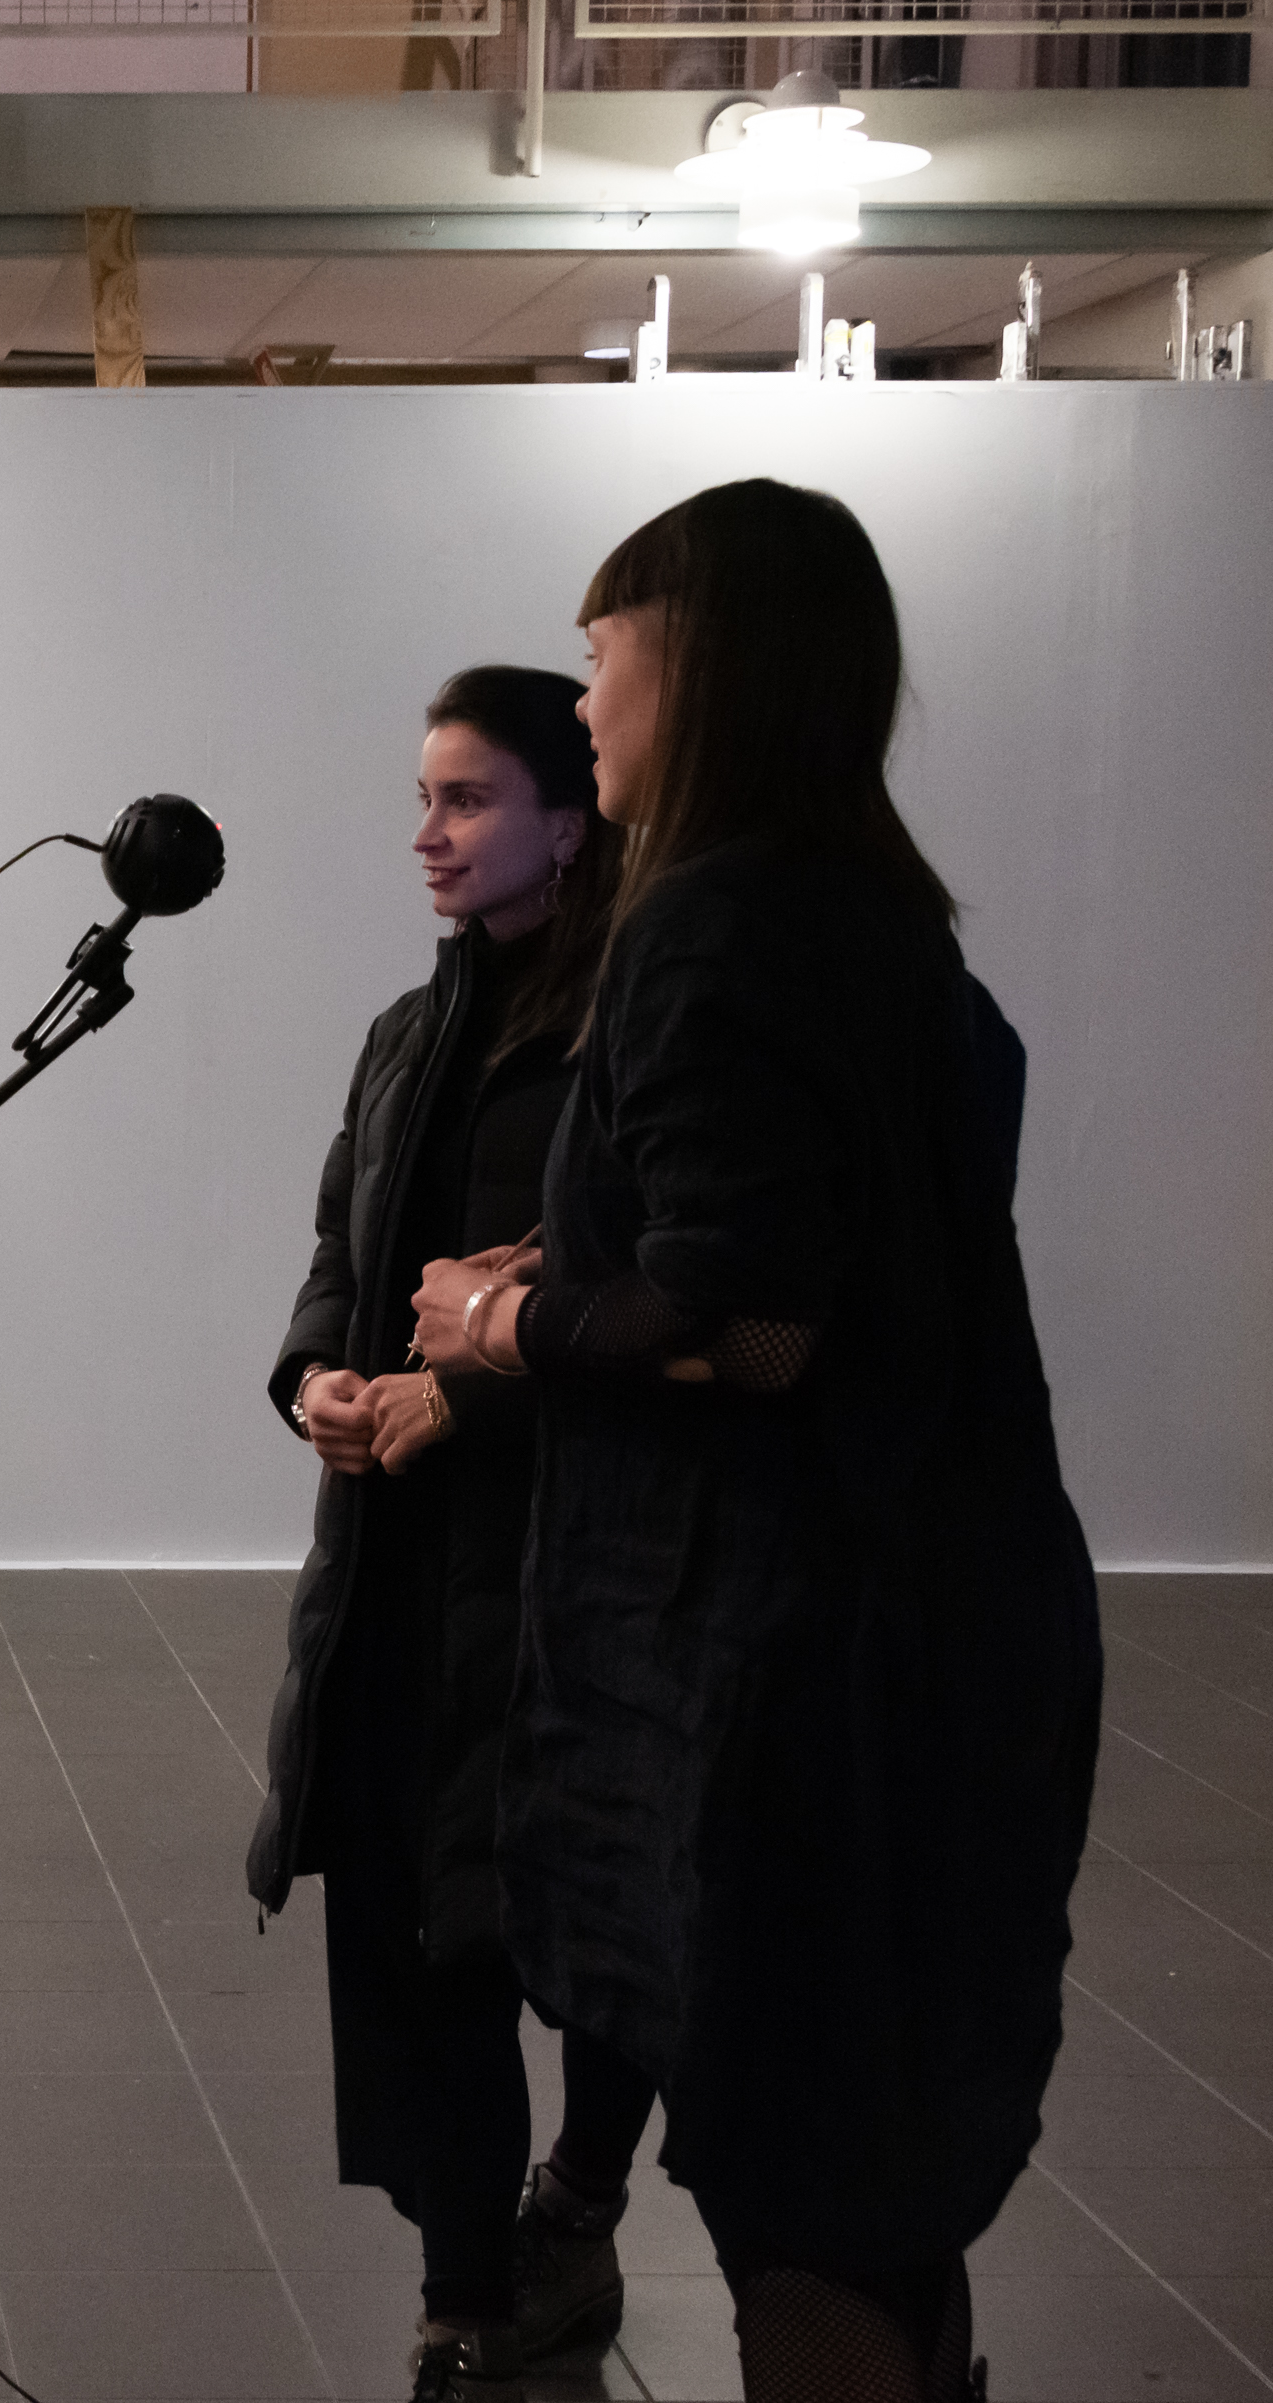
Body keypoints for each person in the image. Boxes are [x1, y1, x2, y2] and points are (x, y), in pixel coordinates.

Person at [413, 480, 1101, 2403]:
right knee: (875, 2181)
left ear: (700, 663)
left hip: (806, 1676)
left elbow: (755, 1326)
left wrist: (500, 1323)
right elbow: (830, 1253)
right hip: (929, 1627)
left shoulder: (711, 922)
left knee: (809, 2174)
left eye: (602, 656)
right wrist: (584, 1262)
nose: (587, 703)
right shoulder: (870, 910)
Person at [251, 665, 661, 2403]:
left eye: (468, 799)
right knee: (417, 1933)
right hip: (403, 1569)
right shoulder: (406, 1035)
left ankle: (580, 2200)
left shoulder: (632, 1036)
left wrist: (466, 1403)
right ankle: (464, 2290)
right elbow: (340, 1256)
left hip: (581, 1572)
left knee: (583, 1928)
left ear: (568, 821)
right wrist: (318, 1384)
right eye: (423, 799)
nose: (427, 834)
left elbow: (666, 1309)